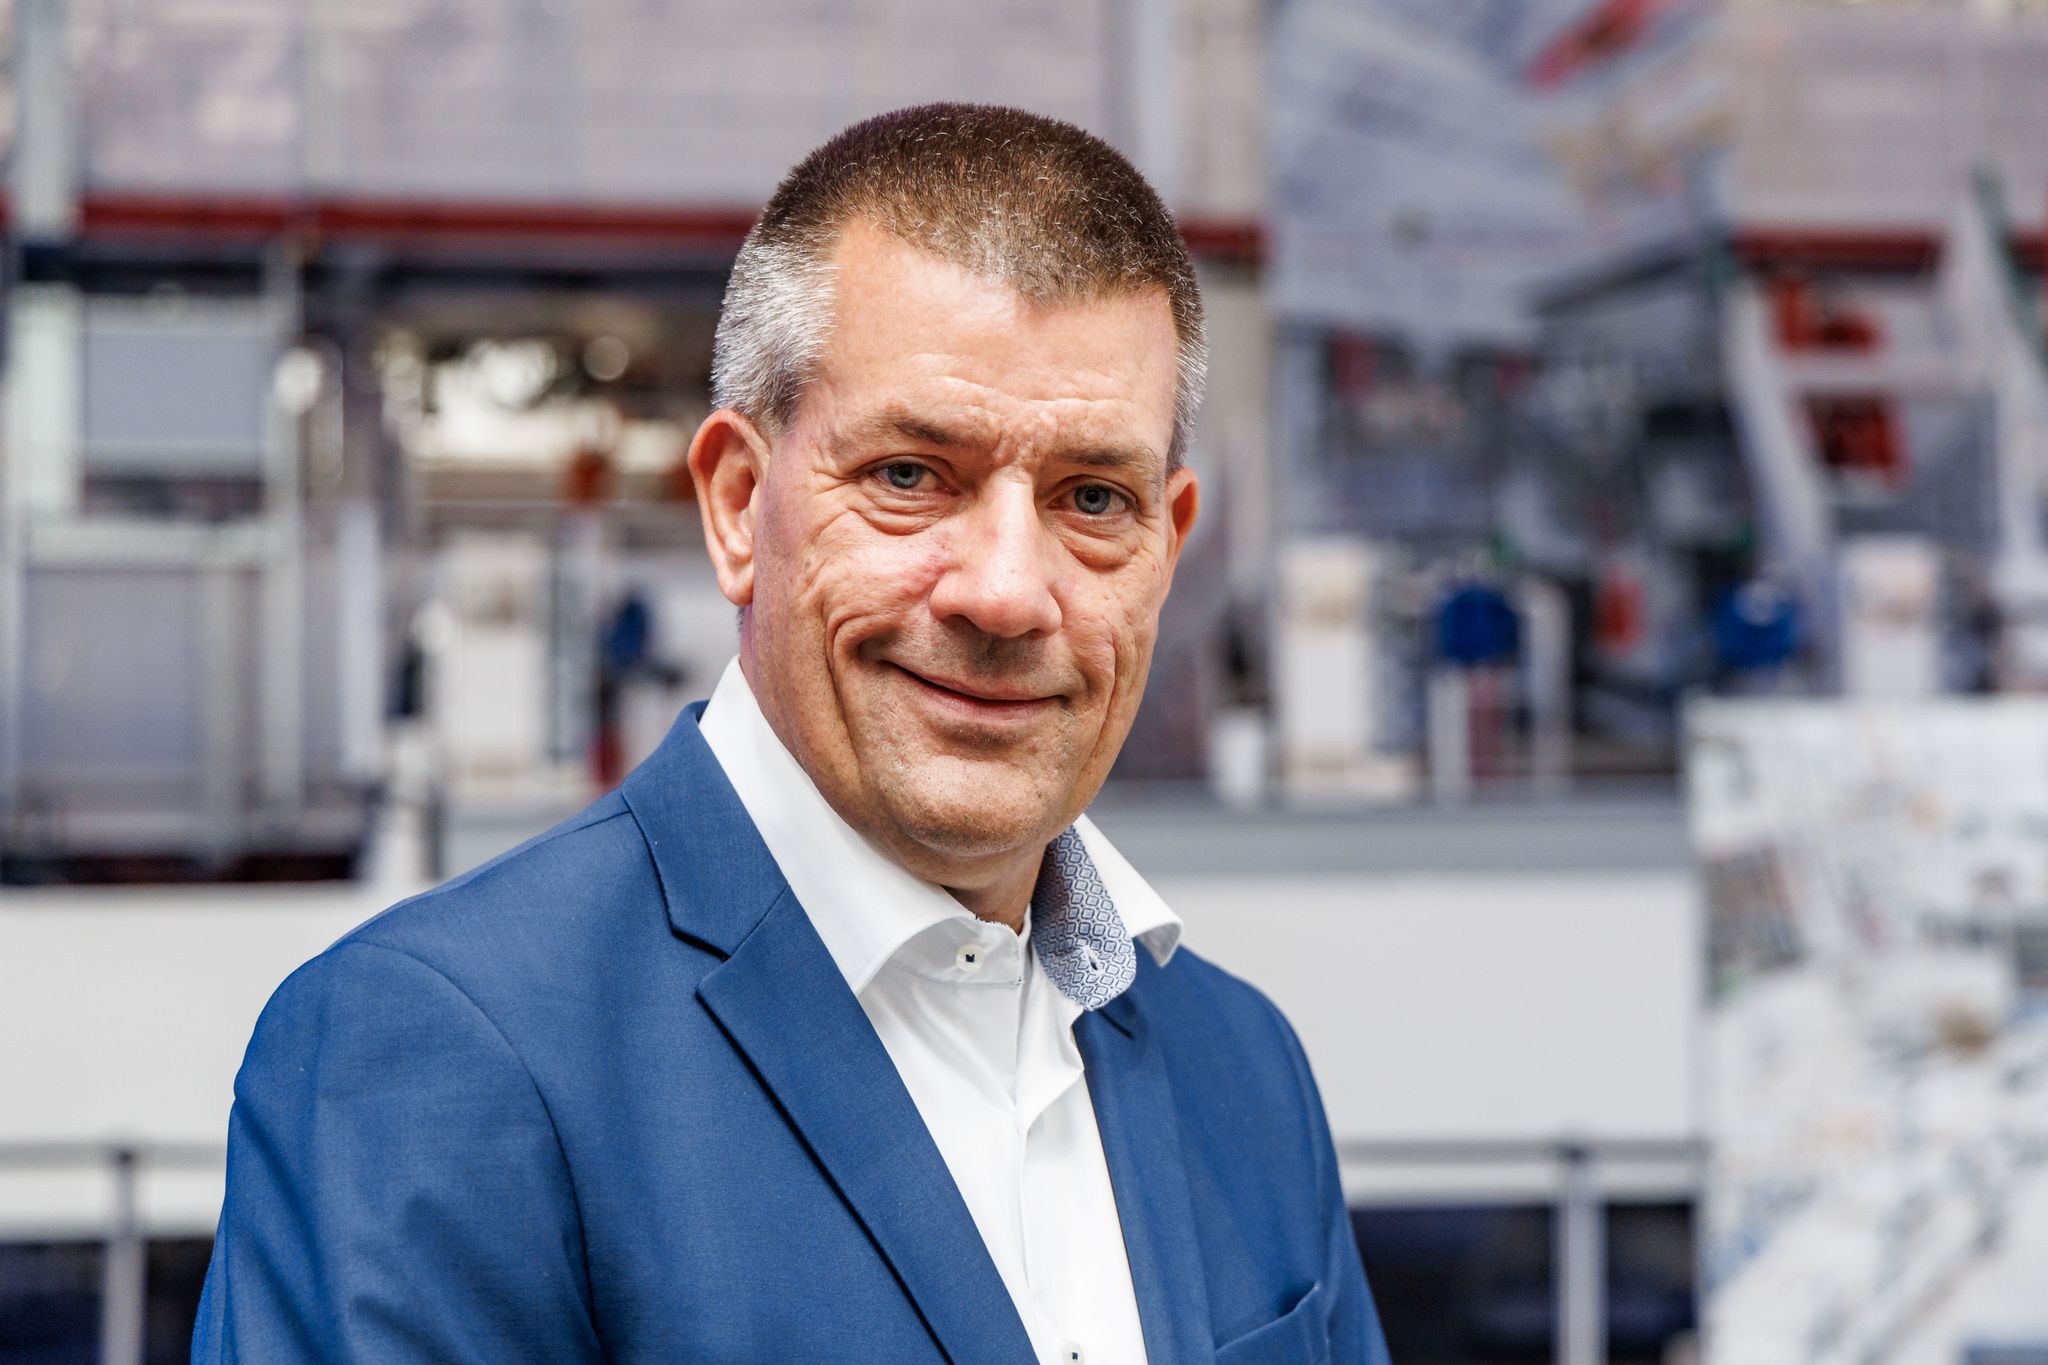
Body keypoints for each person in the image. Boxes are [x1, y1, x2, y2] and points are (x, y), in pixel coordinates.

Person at [193, 103, 1390, 1365]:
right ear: (735, 505)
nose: (1004, 592)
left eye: (1091, 498)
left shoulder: (1242, 1071)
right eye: (909, 476)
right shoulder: (437, 1058)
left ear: (1166, 545)